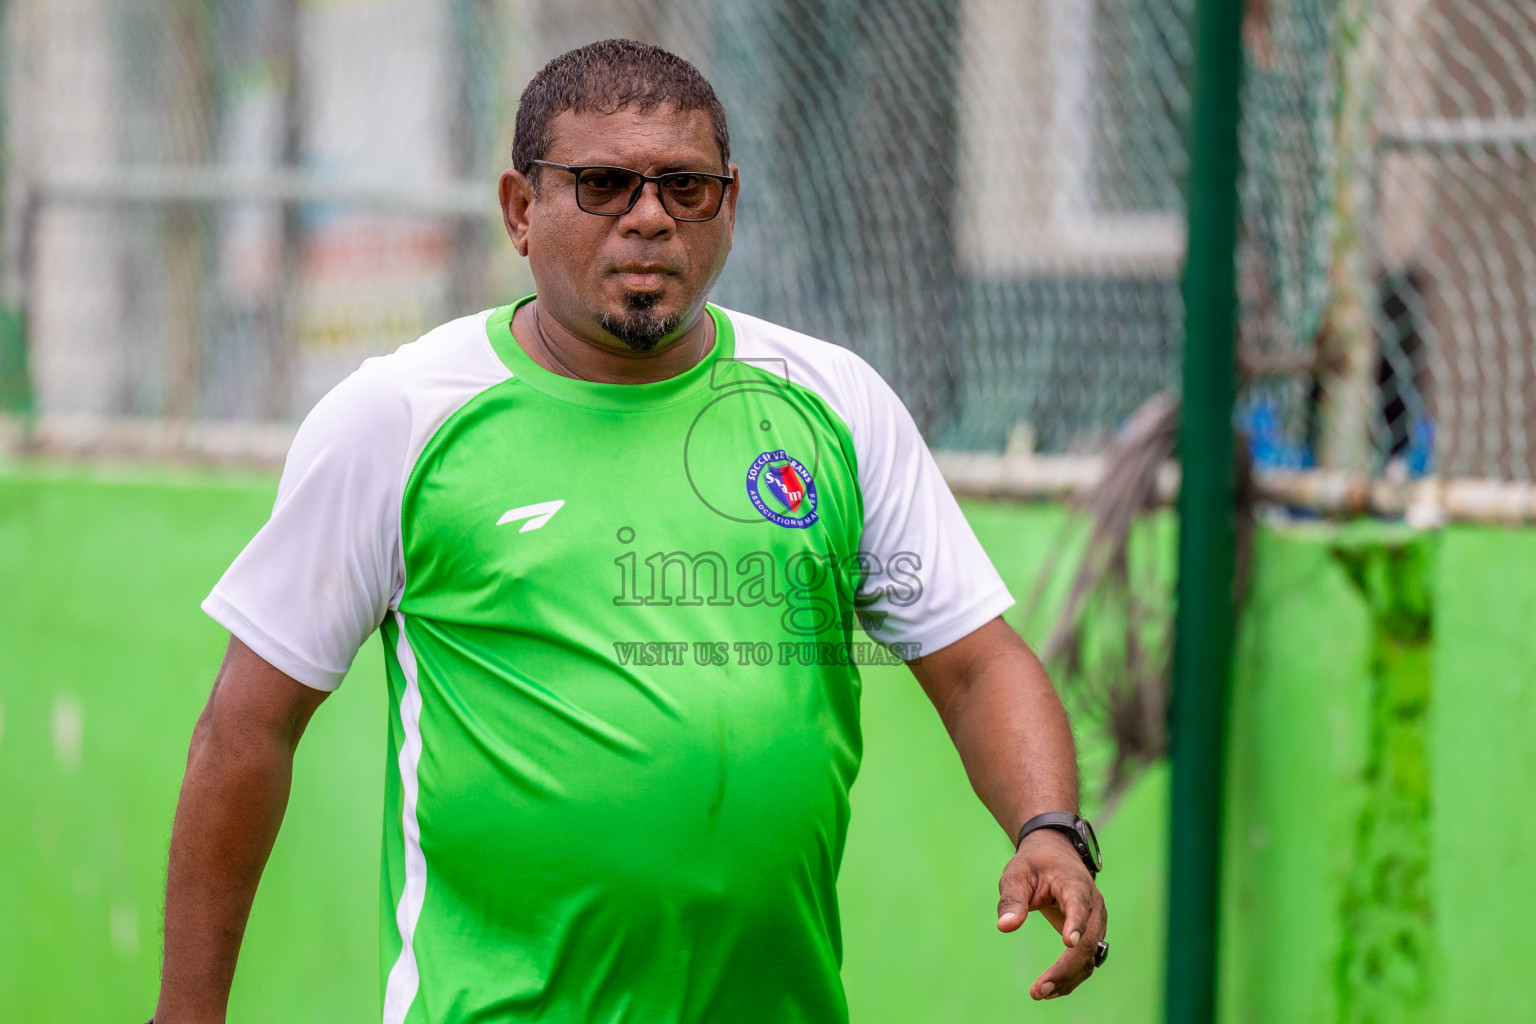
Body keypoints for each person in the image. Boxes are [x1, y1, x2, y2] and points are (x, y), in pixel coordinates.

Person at [154, 38, 1107, 1024]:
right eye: (604, 184)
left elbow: (978, 664)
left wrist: (1048, 830)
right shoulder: (401, 418)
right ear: (522, 211)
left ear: (728, 207)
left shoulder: (833, 402)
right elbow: (245, 729)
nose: (649, 216)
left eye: (685, 187)